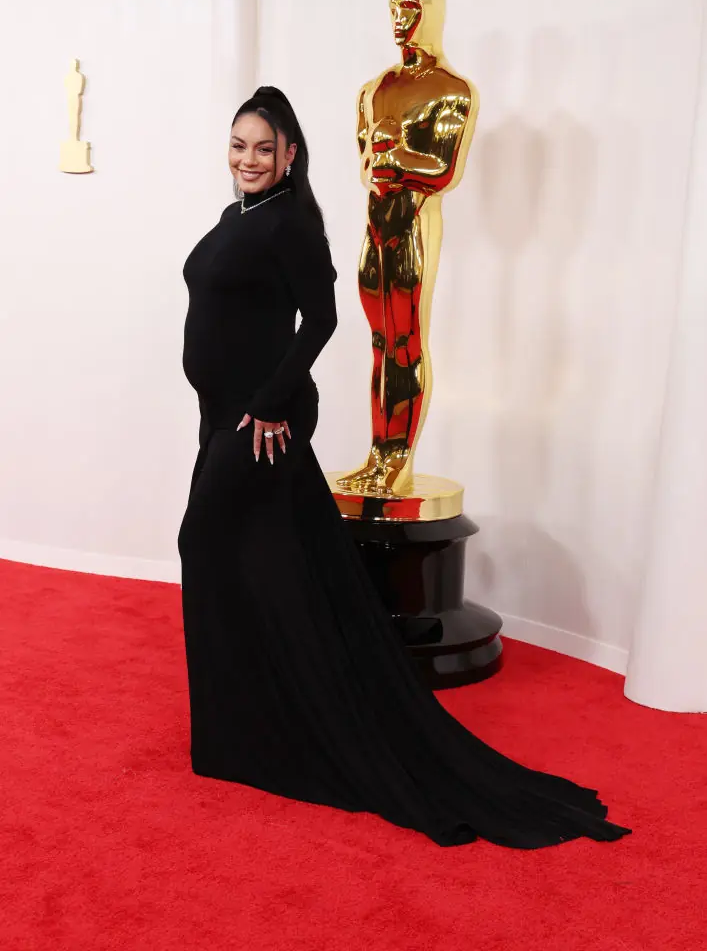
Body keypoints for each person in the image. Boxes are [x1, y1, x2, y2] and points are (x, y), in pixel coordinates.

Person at [178, 85, 630, 849]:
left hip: (259, 424)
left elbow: (321, 320)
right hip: (223, 416)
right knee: (264, 568)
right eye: (238, 145)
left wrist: (272, 402)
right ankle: (252, 731)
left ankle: (270, 731)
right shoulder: (237, 217)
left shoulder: (290, 224)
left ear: (290, 155)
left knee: (212, 549)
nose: (248, 159)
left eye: (263, 148)